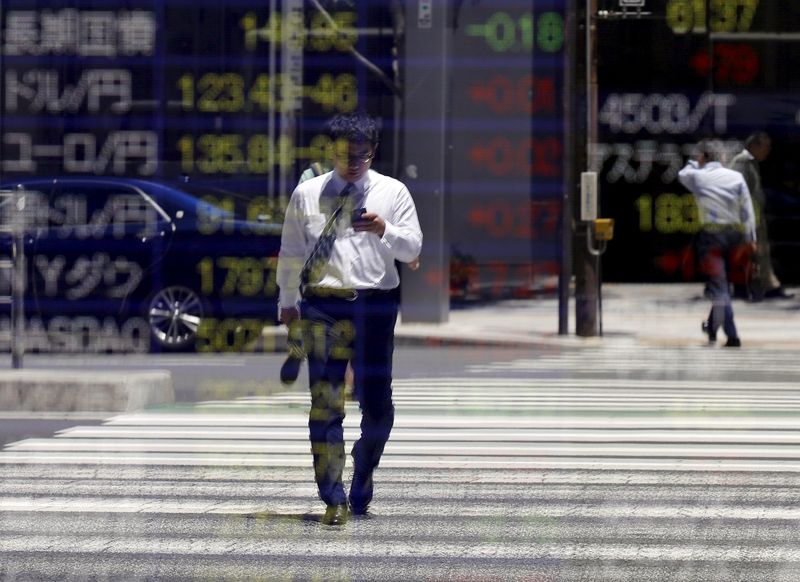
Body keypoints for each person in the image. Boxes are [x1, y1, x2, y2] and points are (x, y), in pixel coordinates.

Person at [276, 112, 423, 526]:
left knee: (377, 404)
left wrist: (383, 230)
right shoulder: (306, 194)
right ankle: (333, 496)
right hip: (323, 305)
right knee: (325, 404)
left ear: (373, 152)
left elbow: (412, 250)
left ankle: (364, 463)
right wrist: (287, 301)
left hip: (375, 305)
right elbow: (290, 252)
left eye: (363, 155)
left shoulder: (393, 193)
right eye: (346, 155)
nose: (354, 162)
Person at [678, 139, 757, 347]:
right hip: (735, 237)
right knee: (722, 287)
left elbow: (682, 174)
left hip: (711, 237)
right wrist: (751, 239)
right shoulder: (736, 177)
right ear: (722, 158)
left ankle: (732, 335)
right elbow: (747, 210)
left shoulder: (697, 176)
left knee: (719, 288)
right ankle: (712, 327)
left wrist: (695, 162)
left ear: (703, 157)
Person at [729, 132, 793, 300]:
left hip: (753, 217)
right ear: (754, 146)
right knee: (746, 253)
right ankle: (743, 288)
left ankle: (766, 287)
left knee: (759, 253)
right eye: (765, 146)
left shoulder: (750, 163)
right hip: (746, 218)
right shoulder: (742, 163)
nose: (768, 150)